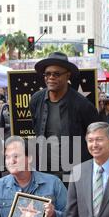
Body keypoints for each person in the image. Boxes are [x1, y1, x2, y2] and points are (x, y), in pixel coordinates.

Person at [30, 51, 99, 184]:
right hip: (45, 171)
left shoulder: (83, 105)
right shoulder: (36, 100)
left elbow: (95, 137)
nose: (51, 77)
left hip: (75, 172)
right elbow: (36, 130)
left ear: (68, 75)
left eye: (56, 74)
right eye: (47, 74)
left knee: (73, 205)